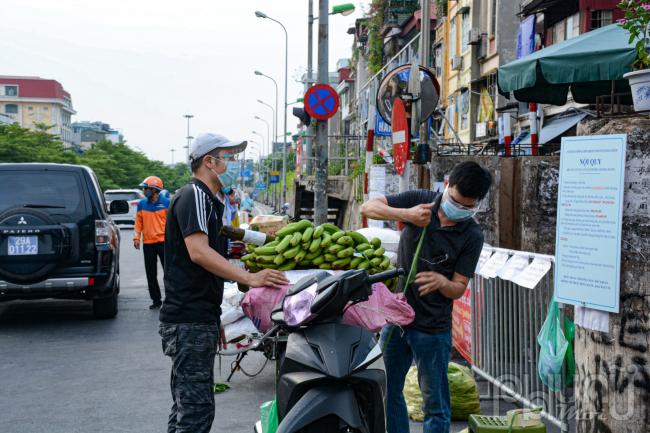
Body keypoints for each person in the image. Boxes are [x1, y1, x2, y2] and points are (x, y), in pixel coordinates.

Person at [159, 132, 289, 433]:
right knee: (196, 412)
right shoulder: (194, 196)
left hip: (196, 317)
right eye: (229, 156)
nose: (234, 162)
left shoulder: (209, 201)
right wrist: (249, 277)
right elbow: (199, 253)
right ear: (209, 161)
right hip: (187, 321)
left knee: (186, 407)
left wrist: (212, 315)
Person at [360, 161, 492, 433]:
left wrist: (442, 281)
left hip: (433, 329)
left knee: (435, 403)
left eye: (468, 207)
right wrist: (406, 214)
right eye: (456, 201)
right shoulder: (421, 201)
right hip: (397, 321)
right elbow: (368, 207)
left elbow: (458, 287)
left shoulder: (472, 235)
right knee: (387, 389)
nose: (460, 210)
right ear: (446, 186)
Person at [133, 175, 170, 309]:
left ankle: (171, 298)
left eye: (146, 188)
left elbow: (172, 224)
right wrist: (136, 238)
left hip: (164, 242)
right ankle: (156, 300)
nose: (144, 191)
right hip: (148, 244)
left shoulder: (167, 203)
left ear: (154, 190)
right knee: (150, 273)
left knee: (169, 272)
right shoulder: (142, 204)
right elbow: (138, 223)